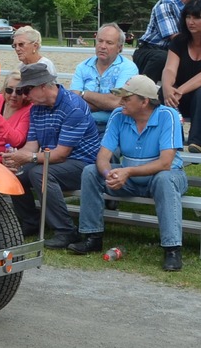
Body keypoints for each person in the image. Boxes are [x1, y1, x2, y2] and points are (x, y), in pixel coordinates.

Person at [67, 75, 187, 272]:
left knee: (165, 179)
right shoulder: (117, 115)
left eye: (126, 98)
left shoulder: (168, 115)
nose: (120, 101)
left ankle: (172, 249)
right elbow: (102, 157)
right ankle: (92, 237)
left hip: (164, 176)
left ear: (144, 102)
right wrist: (109, 174)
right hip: (129, 178)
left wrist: (127, 171)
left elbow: (165, 163)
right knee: (90, 171)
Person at [2, 63, 101, 248]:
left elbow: (61, 154)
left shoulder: (73, 107)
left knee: (39, 173)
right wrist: (15, 157)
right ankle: (30, 222)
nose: (24, 96)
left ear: (43, 86)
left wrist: (28, 158)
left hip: (84, 164)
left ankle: (66, 231)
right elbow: (32, 145)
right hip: (56, 160)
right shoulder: (36, 108)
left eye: (26, 90)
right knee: (16, 172)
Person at [159, 0, 201, 152]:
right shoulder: (179, 41)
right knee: (163, 92)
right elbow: (169, 69)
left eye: (197, 17)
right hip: (187, 100)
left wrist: (179, 90)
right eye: (188, 17)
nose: (191, 21)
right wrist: (168, 88)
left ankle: (196, 142)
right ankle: (176, 142)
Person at [134, 0, 201, 81]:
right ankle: (142, 92)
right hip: (151, 51)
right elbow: (176, 39)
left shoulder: (192, 7)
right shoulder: (166, 5)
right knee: (162, 58)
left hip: (172, 51)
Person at [70, 23, 140, 131]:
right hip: (83, 126)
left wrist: (84, 93)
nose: (102, 46)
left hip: (116, 128)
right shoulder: (82, 67)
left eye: (109, 43)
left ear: (120, 48)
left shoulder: (128, 68)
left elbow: (118, 103)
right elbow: (74, 103)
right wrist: (106, 102)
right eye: (100, 41)